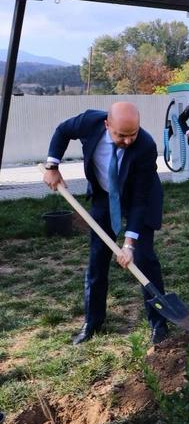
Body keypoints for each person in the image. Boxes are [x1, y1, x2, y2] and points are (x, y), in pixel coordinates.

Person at [43, 102, 169, 345]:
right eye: (121, 135)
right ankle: (92, 321)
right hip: (104, 194)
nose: (129, 141)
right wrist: (52, 166)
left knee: (143, 259)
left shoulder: (146, 145)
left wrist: (129, 244)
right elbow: (62, 131)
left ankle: (159, 324)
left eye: (133, 134)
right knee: (97, 258)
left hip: (138, 198)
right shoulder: (88, 121)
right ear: (107, 125)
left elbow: (141, 200)